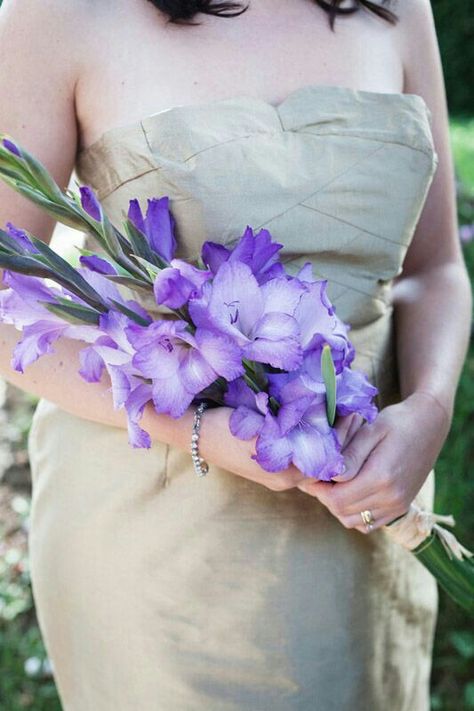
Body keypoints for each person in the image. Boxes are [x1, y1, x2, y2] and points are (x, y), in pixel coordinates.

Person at [0, 0, 471, 708]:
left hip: (366, 509)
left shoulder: (399, 7)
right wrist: (199, 430)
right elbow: (6, 302)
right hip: (158, 542)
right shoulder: (61, 12)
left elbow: (434, 270)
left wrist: (429, 410)